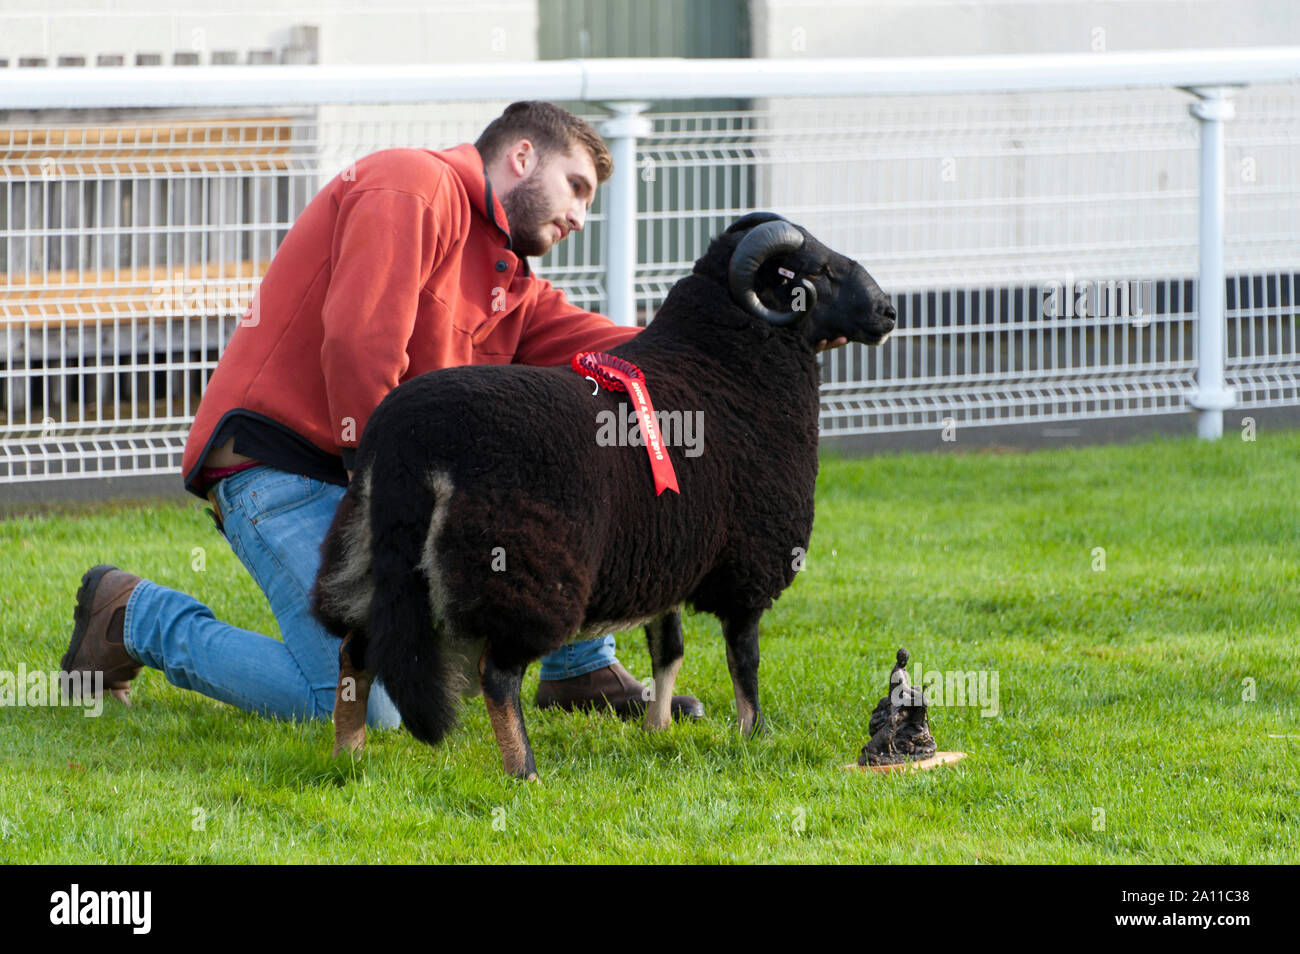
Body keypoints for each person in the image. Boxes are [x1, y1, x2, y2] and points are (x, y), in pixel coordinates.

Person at [61, 101, 706, 729]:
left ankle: (579, 667)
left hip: (366, 475)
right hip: (279, 468)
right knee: (359, 700)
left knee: (553, 452)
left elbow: (622, 352)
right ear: (522, 155)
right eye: (577, 187)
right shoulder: (414, 184)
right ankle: (129, 617)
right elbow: (359, 343)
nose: (581, 216)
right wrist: (383, 498)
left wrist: (730, 350)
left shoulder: (513, 286)